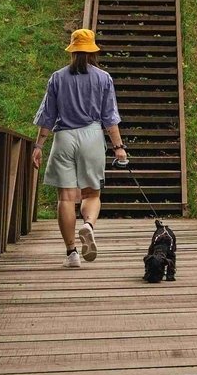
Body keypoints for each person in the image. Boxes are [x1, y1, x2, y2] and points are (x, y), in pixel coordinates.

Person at [32, 28, 128, 268]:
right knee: (92, 193)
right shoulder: (103, 78)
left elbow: (47, 115)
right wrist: (118, 147)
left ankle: (71, 253)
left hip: (64, 137)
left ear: (72, 51)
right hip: (92, 137)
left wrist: (39, 145)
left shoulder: (57, 77)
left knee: (66, 198)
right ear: (93, 51)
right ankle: (88, 225)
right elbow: (110, 117)